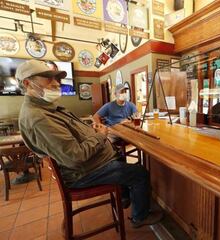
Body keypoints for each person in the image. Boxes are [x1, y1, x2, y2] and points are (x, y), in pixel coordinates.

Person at [17, 59, 162, 228]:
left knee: (120, 156)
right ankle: (140, 217)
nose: (56, 83)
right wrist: (100, 136)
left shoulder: (47, 108)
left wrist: (91, 129)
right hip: (83, 173)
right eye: (48, 78)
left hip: (91, 164)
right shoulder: (38, 118)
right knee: (139, 173)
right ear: (28, 84)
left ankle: (125, 196)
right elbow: (75, 157)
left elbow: (71, 135)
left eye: (56, 78)